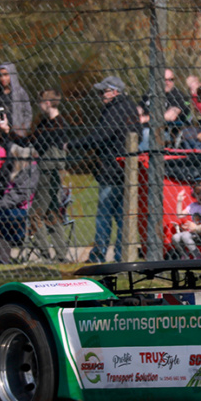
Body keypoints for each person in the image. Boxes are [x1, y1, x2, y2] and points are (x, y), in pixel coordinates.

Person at [67, 75, 138, 263]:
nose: (101, 95)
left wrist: (74, 144)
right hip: (125, 171)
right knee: (122, 215)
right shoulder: (129, 107)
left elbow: (101, 135)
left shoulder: (115, 110)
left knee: (104, 213)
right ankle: (122, 254)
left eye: (103, 91)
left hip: (113, 170)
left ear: (115, 91)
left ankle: (99, 254)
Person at [0, 89, 69, 262]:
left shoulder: (57, 125)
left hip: (48, 173)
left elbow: (31, 142)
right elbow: (27, 142)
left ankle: (46, 254)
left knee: (35, 214)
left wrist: (12, 133)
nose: (38, 107)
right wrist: (8, 130)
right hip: (50, 173)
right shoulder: (46, 124)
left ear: (46, 103)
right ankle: (61, 256)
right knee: (52, 214)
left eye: (40, 103)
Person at [0, 144, 39, 264]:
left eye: (13, 157)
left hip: (22, 212)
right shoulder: (20, 171)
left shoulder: (31, 171)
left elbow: (18, 196)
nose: (10, 160)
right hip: (12, 210)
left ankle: (1, 258)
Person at [0, 63, 32, 141]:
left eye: (6, 75)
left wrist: (22, 130)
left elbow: (28, 113)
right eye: (0, 75)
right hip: (1, 134)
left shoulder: (20, 92)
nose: (3, 78)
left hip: (17, 134)